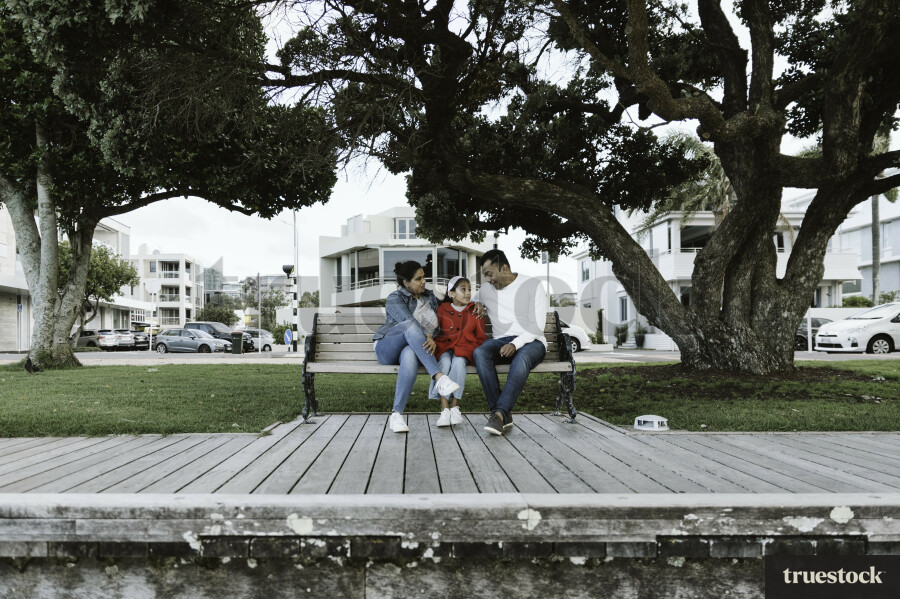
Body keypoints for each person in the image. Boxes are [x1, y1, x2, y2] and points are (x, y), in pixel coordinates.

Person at [373, 261, 460, 433]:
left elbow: (446, 312)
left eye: (424, 277)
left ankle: (396, 415)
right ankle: (439, 377)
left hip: (413, 347)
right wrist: (427, 335)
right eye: (418, 279)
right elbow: (408, 323)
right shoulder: (394, 298)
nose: (423, 281)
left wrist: (478, 304)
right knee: (410, 326)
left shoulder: (430, 297)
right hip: (387, 346)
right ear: (406, 283)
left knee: (409, 354)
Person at [472, 249, 548, 435]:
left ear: (504, 268)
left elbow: (536, 326)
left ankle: (498, 414)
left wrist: (515, 344)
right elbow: (470, 302)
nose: (488, 280)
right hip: (501, 342)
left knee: (521, 358)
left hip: (532, 341)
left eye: (490, 274)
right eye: (485, 276)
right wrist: (477, 303)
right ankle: (501, 414)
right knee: (480, 353)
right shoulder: (486, 290)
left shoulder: (532, 285)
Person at [428, 276, 486, 427]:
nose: (468, 293)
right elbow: (433, 330)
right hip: (444, 348)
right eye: (463, 289)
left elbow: (480, 338)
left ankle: (455, 407)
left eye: (469, 289)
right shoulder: (442, 309)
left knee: (459, 362)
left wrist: (476, 352)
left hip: (465, 350)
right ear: (451, 293)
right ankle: (444, 409)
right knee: (445, 363)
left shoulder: (475, 310)